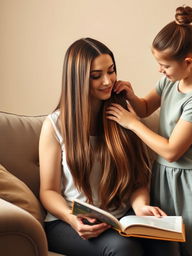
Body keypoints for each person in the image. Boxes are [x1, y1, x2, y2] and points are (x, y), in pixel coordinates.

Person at [107, 6, 192, 256]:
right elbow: (144, 108)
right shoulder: (171, 80)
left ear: (188, 62)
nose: (160, 70)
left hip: (191, 184)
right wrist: (131, 95)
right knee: (167, 247)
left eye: (165, 65)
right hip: (164, 178)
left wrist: (132, 124)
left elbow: (172, 150)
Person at [39, 37, 176, 256]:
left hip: (121, 217)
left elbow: (138, 180)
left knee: (165, 243)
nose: (107, 81)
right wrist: (72, 218)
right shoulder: (55, 125)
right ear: (77, 79)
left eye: (111, 71)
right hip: (68, 222)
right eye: (96, 76)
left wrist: (140, 207)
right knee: (123, 249)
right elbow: (48, 191)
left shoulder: (122, 114)